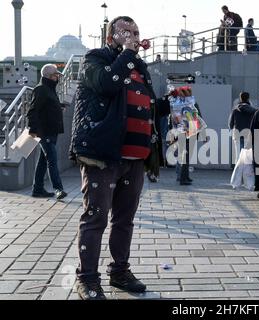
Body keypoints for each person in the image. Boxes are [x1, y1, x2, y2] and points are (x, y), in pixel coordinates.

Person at [69, 16, 155, 300]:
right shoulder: (95, 58)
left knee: (124, 219)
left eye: (136, 32)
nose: (133, 36)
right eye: (126, 31)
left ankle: (119, 271)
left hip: (134, 157)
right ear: (110, 37)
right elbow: (106, 84)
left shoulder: (139, 68)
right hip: (102, 155)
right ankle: (87, 279)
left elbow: (142, 105)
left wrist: (174, 105)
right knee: (96, 217)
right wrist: (128, 53)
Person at [27, 64, 67, 200]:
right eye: (56, 75)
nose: (58, 78)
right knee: (52, 159)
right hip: (45, 132)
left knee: (43, 161)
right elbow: (33, 111)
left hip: (51, 130)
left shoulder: (49, 89)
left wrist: (59, 106)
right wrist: (33, 129)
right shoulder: (41, 89)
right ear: (50, 76)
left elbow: (47, 107)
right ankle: (58, 189)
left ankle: (37, 189)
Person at [229, 92, 256, 163]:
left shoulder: (235, 110)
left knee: (238, 155)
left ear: (240, 98)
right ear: (248, 98)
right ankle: (246, 172)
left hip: (237, 134)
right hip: (248, 134)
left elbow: (230, 124)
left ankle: (238, 172)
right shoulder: (253, 111)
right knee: (247, 155)